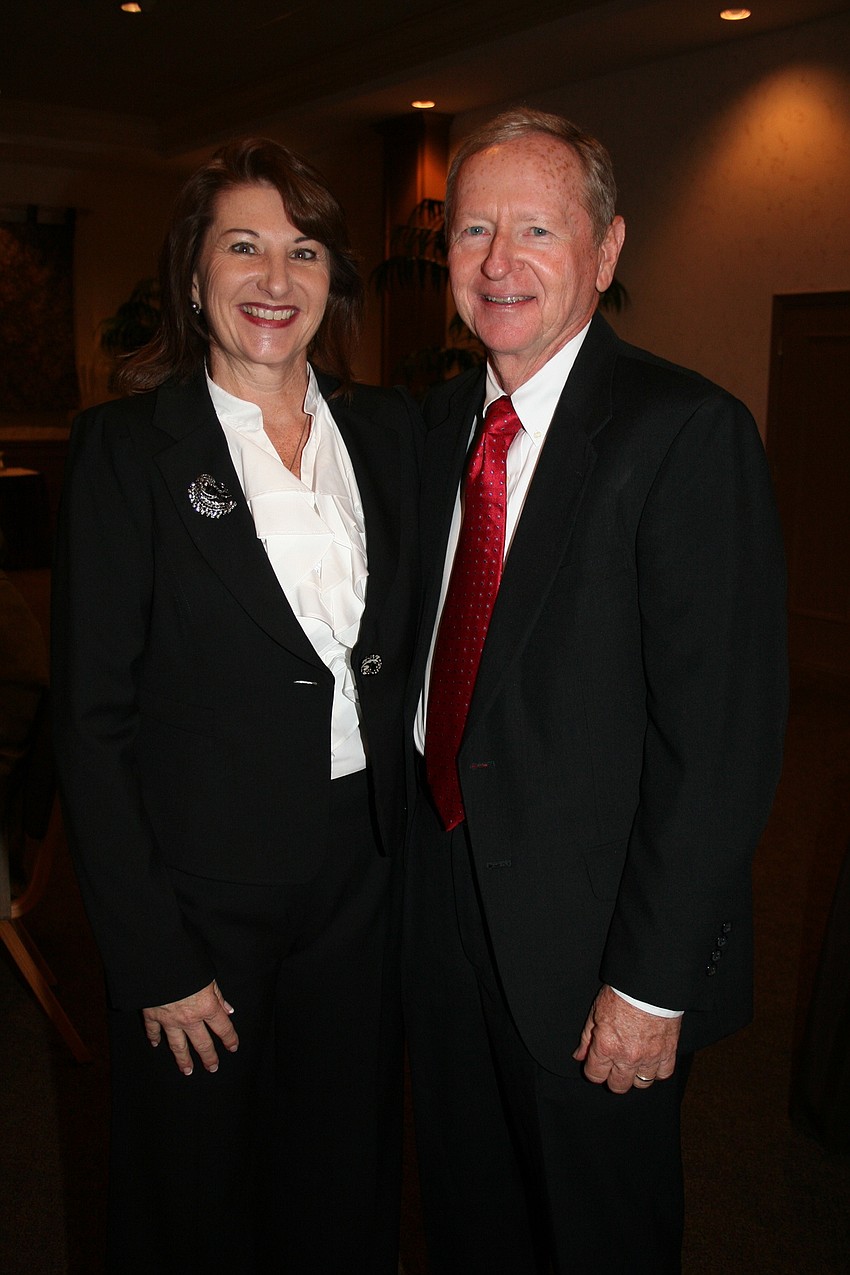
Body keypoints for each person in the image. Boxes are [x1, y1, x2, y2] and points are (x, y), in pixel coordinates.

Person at [403, 108, 787, 1274]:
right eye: (473, 230)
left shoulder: (683, 433)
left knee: (596, 1240)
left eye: (536, 228)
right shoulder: (433, 430)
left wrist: (650, 982)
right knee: (472, 1224)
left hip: (593, 954)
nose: (498, 262)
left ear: (606, 251)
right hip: (439, 910)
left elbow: (719, 741)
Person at [51, 137, 421, 1274]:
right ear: (194, 272)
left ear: (334, 280)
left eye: (303, 250)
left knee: (340, 1175)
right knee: (191, 1189)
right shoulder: (127, 452)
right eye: (243, 246)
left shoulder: (395, 435)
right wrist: (150, 953)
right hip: (197, 894)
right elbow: (90, 723)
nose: (275, 278)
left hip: (365, 877)